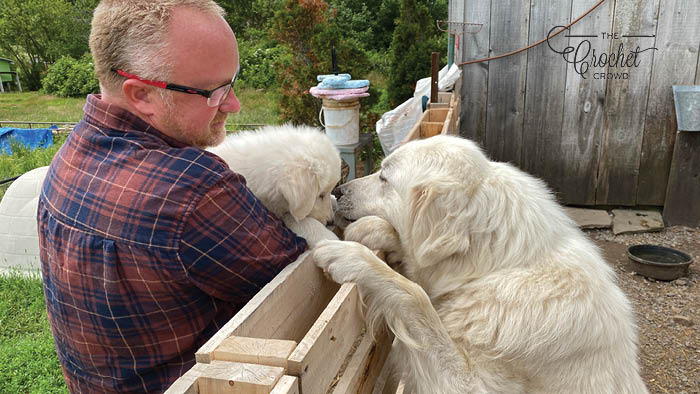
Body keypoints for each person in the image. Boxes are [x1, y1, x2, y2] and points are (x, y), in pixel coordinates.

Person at [36, 1, 307, 392]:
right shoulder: (193, 190)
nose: (234, 104)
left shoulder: (71, 154)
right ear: (142, 95)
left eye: (233, 81)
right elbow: (308, 280)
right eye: (214, 92)